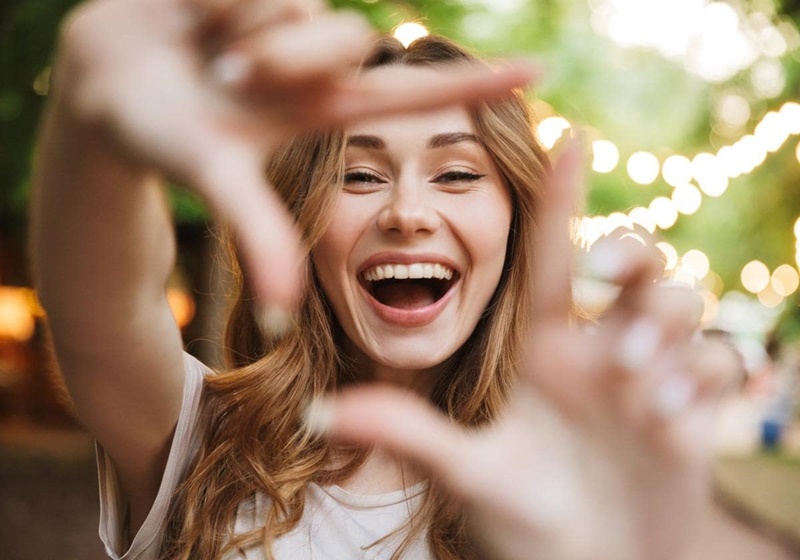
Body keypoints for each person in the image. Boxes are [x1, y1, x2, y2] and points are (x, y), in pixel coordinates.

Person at [30, 0, 737, 559]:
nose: (406, 212)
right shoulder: (196, 439)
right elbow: (103, 304)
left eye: (457, 174)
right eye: (359, 176)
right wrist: (94, 140)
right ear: (303, 219)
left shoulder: (575, 484)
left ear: (518, 224)